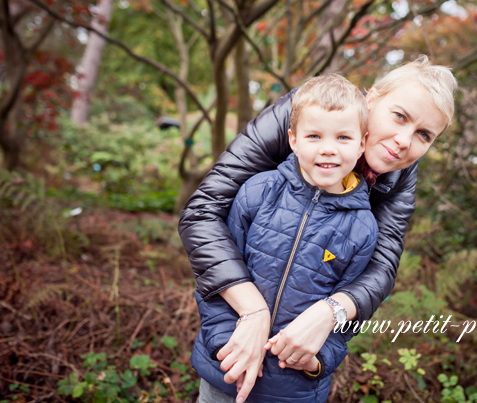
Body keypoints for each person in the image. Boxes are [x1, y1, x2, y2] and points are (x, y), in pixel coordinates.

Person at [179, 55, 458, 403]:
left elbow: (381, 268)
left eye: (423, 134)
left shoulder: (398, 175)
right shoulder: (301, 113)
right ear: (371, 100)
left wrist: (331, 313)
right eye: (399, 116)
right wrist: (251, 310)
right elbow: (203, 211)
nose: (404, 140)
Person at [191, 74, 378, 403]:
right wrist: (226, 345)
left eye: (343, 137)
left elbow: (349, 315)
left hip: (294, 389)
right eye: (314, 135)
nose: (328, 149)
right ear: (292, 139)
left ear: (362, 144)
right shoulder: (258, 191)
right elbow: (216, 278)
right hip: (226, 372)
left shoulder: (362, 228)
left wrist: (317, 361)